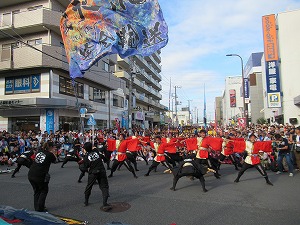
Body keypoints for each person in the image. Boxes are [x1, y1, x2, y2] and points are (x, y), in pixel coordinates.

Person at [28, 141, 57, 212]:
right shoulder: (50, 154)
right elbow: (55, 160)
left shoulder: (39, 151)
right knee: (44, 190)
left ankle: (37, 208)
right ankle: (40, 208)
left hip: (31, 173)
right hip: (40, 175)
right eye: (53, 147)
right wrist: (53, 152)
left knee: (37, 191)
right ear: (51, 147)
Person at [82, 142, 112, 211]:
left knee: (89, 186)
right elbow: (104, 158)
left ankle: (86, 201)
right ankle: (105, 203)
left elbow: (86, 166)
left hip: (93, 172)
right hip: (101, 170)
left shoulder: (86, 157)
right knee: (104, 186)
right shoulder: (97, 152)